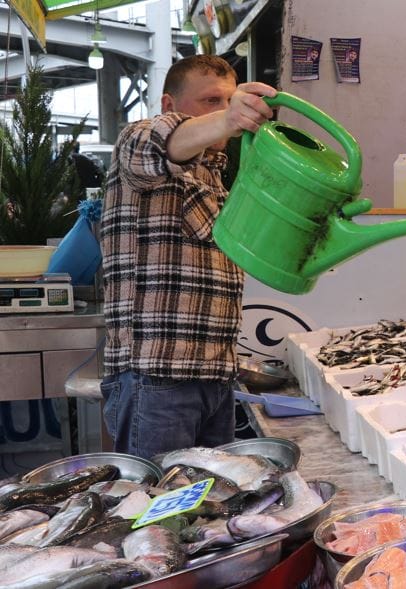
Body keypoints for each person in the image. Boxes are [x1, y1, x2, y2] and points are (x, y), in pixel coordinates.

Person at [99, 55, 277, 459]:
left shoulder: (215, 177)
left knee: (214, 494)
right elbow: (162, 142)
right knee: (160, 495)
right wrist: (229, 119)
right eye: (211, 100)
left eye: (229, 100)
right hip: (157, 380)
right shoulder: (136, 142)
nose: (224, 109)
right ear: (169, 104)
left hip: (215, 376)